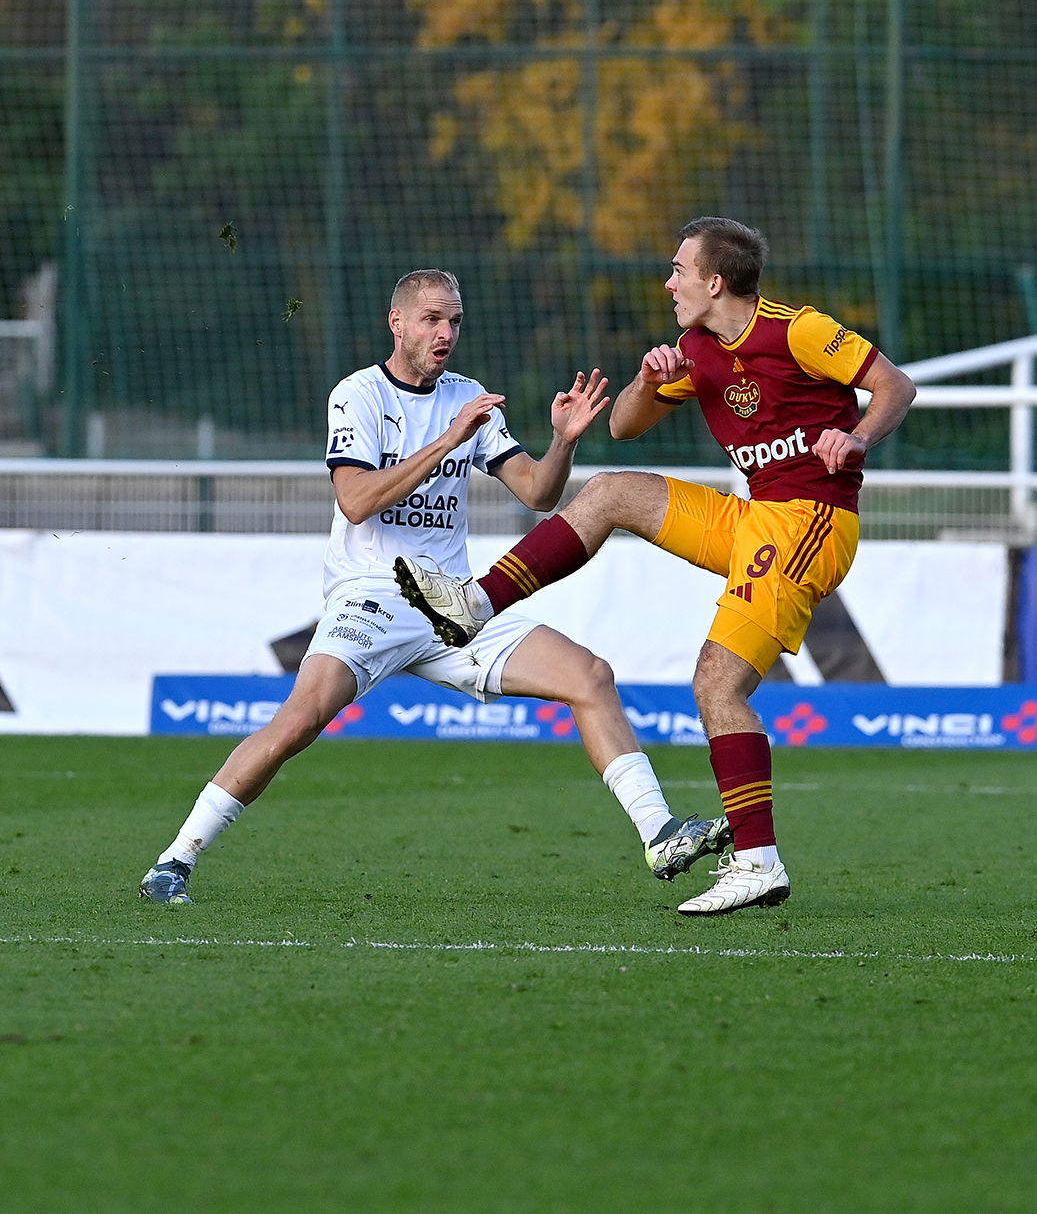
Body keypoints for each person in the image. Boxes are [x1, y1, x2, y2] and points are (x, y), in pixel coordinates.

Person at [140, 267, 730, 905]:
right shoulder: (359, 394)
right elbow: (356, 501)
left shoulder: (466, 394)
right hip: (373, 595)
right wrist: (451, 438)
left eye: (454, 321)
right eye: (432, 319)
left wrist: (562, 442)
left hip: (454, 605)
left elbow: (538, 493)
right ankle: (175, 861)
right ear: (396, 323)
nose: (445, 332)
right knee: (299, 721)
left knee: (590, 676)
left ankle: (659, 833)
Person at [395, 221, 917, 916]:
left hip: (810, 522)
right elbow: (624, 427)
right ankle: (475, 605)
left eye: (678, 270)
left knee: (717, 684)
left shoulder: (798, 330)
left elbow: (895, 386)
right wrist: (648, 379)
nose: (668, 283)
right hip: (757, 516)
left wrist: (855, 437)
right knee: (611, 491)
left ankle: (757, 862)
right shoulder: (695, 348)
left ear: (714, 282)